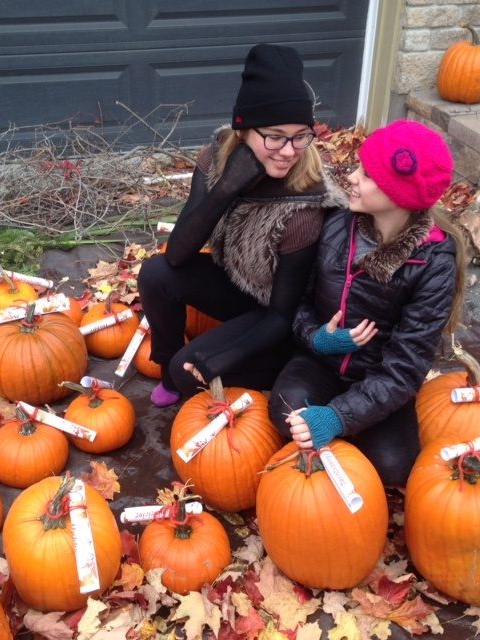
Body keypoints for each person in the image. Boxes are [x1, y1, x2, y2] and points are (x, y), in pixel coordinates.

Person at [137, 43, 347, 406]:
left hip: (284, 321)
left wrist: (224, 357)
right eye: (275, 136)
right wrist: (226, 188)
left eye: (301, 136)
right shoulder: (215, 160)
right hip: (238, 285)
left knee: (188, 369)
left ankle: (268, 371)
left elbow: (282, 315)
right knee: (155, 274)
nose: (288, 151)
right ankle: (167, 368)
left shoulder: (304, 204)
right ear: (243, 130)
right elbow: (177, 256)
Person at [269, 119, 467, 487]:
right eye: (358, 167)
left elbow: (405, 368)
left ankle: (343, 428)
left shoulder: (433, 263)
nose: (352, 178)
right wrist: (317, 338)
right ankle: (332, 441)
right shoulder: (335, 226)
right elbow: (293, 302)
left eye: (367, 174)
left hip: (380, 379)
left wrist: (338, 417)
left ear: (400, 195)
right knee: (286, 412)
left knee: (393, 468)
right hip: (320, 364)